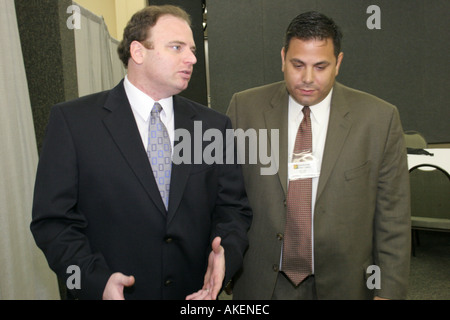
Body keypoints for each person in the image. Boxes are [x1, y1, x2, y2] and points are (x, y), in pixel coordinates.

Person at [31, 5, 252, 300]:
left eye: (192, 49)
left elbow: (233, 209)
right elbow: (53, 221)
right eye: (177, 47)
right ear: (138, 52)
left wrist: (226, 252)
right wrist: (95, 281)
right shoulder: (73, 122)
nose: (192, 58)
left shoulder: (213, 126)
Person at [226, 11, 410, 299]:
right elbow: (227, 197)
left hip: (345, 284)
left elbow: (393, 217)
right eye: (297, 64)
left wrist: (388, 291)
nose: (308, 79)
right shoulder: (244, 108)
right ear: (283, 57)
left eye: (320, 66)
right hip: (263, 283)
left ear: (338, 63)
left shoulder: (378, 119)